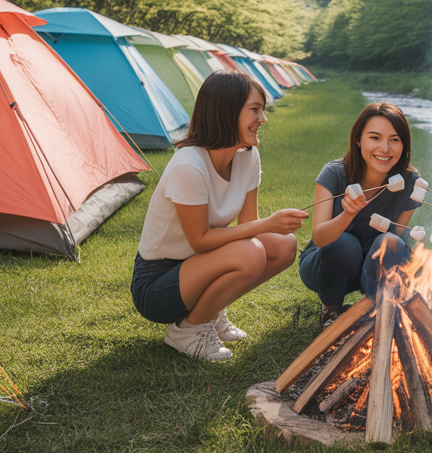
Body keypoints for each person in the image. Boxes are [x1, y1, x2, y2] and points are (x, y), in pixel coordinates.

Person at [131, 70, 306, 361]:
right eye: (255, 110)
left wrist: (273, 227)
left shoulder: (247, 155)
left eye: (262, 110)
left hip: (199, 266)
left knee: (283, 244)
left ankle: (209, 312)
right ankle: (187, 330)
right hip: (157, 284)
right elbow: (200, 241)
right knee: (250, 252)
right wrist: (268, 223)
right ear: (227, 111)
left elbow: (248, 224)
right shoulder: (189, 165)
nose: (263, 119)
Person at [299, 102, 422, 329]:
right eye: (375, 138)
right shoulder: (334, 174)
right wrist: (347, 214)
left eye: (394, 140)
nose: (385, 148)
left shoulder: (411, 182)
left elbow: (395, 234)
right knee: (344, 242)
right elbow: (320, 238)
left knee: (392, 242)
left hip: (370, 263)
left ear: (404, 144)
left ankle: (377, 308)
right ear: (358, 140)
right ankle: (332, 311)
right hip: (326, 263)